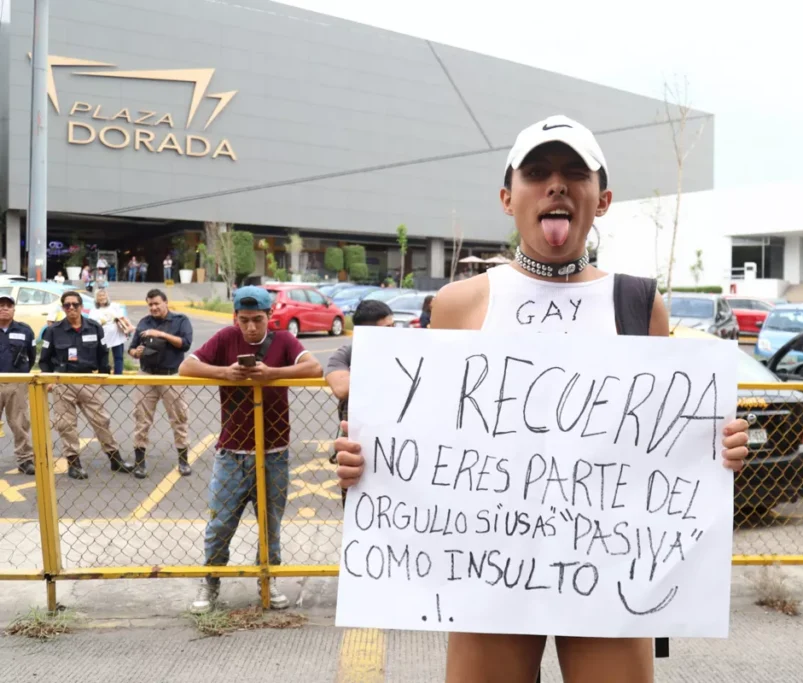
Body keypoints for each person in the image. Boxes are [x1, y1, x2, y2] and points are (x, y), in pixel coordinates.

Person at [332, 115, 751, 683]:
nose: (556, 184)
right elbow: (420, 438)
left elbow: (664, 436)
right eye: (537, 173)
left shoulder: (638, 303)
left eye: (574, 173)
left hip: (607, 575)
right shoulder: (459, 304)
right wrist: (363, 461)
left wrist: (716, 446)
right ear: (509, 198)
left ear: (601, 199)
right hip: (486, 573)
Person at [179, 285, 322, 614]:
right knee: (220, 522)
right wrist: (224, 373)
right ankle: (211, 579)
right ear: (235, 318)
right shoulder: (226, 338)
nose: (251, 327)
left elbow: (314, 368)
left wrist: (272, 374)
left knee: (270, 523)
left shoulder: (284, 340)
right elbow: (186, 367)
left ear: (270, 316)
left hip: (274, 450)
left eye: (257, 319)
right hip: (232, 450)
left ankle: (267, 577)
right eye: (244, 320)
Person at [40, 290, 133, 480]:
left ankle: (115, 459)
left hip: (88, 381)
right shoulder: (53, 331)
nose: (71, 308)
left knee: (101, 421)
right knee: (66, 425)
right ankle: (74, 463)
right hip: (63, 382)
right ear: (63, 308)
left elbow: (102, 354)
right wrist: (50, 379)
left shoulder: (94, 327)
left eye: (75, 304)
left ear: (82, 307)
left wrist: (103, 378)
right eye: (67, 305)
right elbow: (44, 360)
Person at [128, 289, 194, 479]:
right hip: (146, 375)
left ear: (166, 302)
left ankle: (183, 460)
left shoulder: (180, 321)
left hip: (171, 375)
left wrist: (160, 334)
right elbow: (131, 349)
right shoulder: (143, 323)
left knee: (179, 418)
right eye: (150, 304)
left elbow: (185, 343)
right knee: (142, 418)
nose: (154, 307)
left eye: (157, 303)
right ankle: (139, 462)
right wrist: (136, 353)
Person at [324, 300, 394, 466]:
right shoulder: (347, 354)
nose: (394, 333)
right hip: (359, 440)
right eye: (387, 329)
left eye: (394, 326)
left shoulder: (406, 351)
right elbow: (340, 388)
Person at [0, 293, 36, 475]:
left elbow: (32, 356)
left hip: (17, 382)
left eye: (8, 305)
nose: (4, 308)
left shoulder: (25, 330)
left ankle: (25, 460)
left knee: (20, 422)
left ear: (14, 309)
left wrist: (21, 376)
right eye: (1, 305)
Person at [89, 288, 133, 375]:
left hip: (117, 336)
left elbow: (122, 318)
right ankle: (104, 376)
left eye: (103, 295)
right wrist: (100, 322)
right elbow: (91, 323)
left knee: (118, 357)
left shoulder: (114, 306)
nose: (102, 297)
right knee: (103, 358)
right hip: (103, 338)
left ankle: (118, 377)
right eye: (99, 296)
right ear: (96, 298)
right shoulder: (94, 310)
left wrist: (129, 326)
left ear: (107, 296)